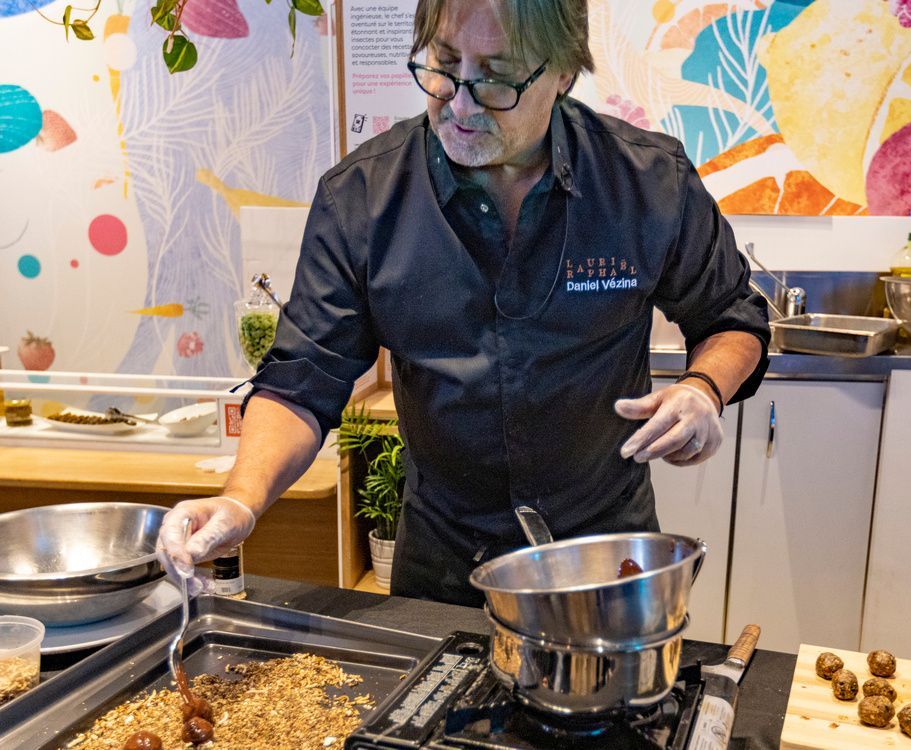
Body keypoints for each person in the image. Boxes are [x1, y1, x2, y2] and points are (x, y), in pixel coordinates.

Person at [156, 0, 770, 606]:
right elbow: (300, 384)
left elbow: (731, 317)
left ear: (562, 73)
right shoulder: (364, 198)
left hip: (604, 558)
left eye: (497, 79)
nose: (460, 104)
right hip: (447, 567)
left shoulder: (644, 179)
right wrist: (242, 498)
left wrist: (702, 389)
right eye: (444, 65)